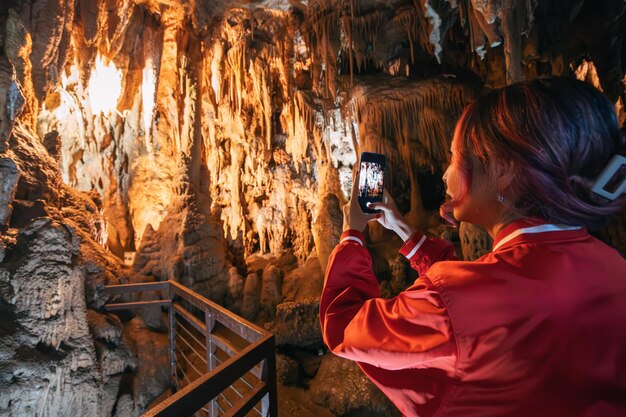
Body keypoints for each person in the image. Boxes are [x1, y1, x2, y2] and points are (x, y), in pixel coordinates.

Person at [320, 77, 626, 417]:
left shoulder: (455, 305)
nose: (446, 174)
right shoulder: (614, 267)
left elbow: (344, 326)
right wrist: (403, 229)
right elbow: (481, 285)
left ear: (504, 170)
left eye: (455, 158)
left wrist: (352, 233)